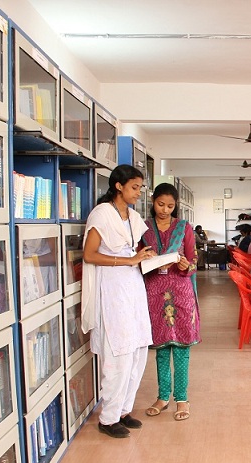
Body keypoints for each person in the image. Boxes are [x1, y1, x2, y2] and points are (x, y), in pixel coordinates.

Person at [81, 164, 155, 438]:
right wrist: (129, 260)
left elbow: (132, 252)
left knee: (138, 350)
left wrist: (145, 257)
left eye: (140, 188)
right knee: (119, 352)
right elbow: (90, 254)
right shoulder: (102, 214)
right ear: (118, 186)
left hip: (132, 286)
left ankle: (124, 410)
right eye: (134, 187)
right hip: (112, 288)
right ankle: (108, 418)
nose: (138, 193)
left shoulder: (132, 216)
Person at [139, 183, 201, 421]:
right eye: (160, 204)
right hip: (155, 291)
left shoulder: (184, 228)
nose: (164, 210)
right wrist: (147, 259)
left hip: (181, 292)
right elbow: (137, 260)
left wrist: (186, 265)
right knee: (161, 348)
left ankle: (182, 399)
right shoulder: (143, 228)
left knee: (182, 347)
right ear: (152, 201)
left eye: (170, 206)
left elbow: (193, 259)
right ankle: (163, 396)